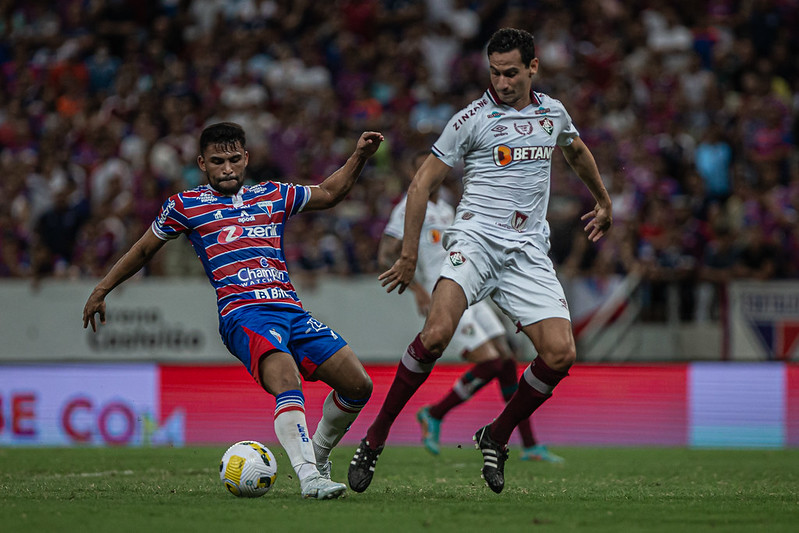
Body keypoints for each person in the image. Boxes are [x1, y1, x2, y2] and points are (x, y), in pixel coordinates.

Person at [349, 28, 611, 494]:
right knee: (435, 335)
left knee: (561, 354)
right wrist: (409, 255)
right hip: (475, 241)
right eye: (495, 72)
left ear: (533, 67)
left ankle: (496, 434)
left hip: (528, 249)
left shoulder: (553, 113)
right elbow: (419, 185)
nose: (503, 82)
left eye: (512, 73)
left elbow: (576, 150)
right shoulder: (471, 118)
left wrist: (603, 200)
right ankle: (375, 438)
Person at [84, 122, 383, 500]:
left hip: (291, 310)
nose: (227, 168)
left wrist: (359, 156)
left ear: (246, 159)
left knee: (359, 385)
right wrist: (102, 288)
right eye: (217, 161)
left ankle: (319, 455)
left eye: (234, 160)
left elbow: (329, 192)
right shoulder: (184, 205)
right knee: (287, 380)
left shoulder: (273, 194)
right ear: (202, 164)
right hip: (244, 314)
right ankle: (310, 478)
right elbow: (144, 249)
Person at [380, 151, 564, 462]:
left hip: (471, 289)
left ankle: (530, 445)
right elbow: (386, 254)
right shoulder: (407, 209)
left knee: (506, 360)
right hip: (443, 296)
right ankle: (434, 413)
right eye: (421, 165)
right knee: (490, 362)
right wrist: (417, 290)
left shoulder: (448, 208)